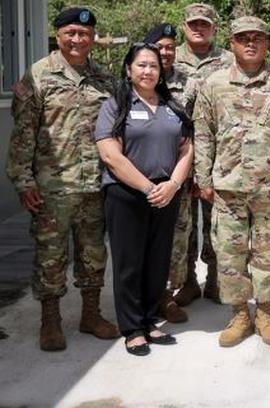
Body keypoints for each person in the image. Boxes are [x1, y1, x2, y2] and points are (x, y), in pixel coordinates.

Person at [194, 16, 270, 347]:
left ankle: (263, 312)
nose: (250, 43)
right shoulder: (214, 83)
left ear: (267, 43)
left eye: (257, 38)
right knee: (230, 253)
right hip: (228, 185)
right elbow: (203, 132)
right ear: (231, 43)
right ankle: (238, 314)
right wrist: (203, 176)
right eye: (242, 38)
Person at [6, 7, 119, 351]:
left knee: (93, 255)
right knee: (50, 257)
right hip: (52, 187)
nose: (78, 39)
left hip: (94, 185)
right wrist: (24, 182)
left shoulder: (104, 79)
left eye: (85, 34)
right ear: (58, 35)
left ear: (93, 39)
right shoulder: (38, 76)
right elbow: (24, 133)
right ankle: (50, 321)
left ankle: (90, 314)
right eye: (71, 32)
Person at [95, 42, 194, 356]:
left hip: (167, 194)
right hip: (127, 195)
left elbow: (186, 147)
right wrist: (148, 188)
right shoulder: (116, 104)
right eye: (141, 65)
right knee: (129, 263)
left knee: (157, 261)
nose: (149, 71)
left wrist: (174, 183)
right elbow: (110, 154)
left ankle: (151, 319)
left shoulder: (171, 104)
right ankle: (133, 328)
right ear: (129, 70)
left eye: (153, 65)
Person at [173, 3, 234, 308]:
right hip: (178, 157)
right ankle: (185, 281)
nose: (198, 28)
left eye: (204, 24)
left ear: (215, 28)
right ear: (184, 26)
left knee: (215, 222)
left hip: (219, 155)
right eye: (193, 24)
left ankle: (214, 279)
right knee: (183, 224)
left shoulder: (228, 60)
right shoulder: (168, 58)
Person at [142, 23, 195, 324]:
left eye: (171, 48)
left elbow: (198, 130)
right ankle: (143, 296)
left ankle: (166, 296)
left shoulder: (189, 83)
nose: (166, 53)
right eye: (160, 47)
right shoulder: (133, 81)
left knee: (177, 237)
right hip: (141, 176)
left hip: (178, 177)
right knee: (143, 239)